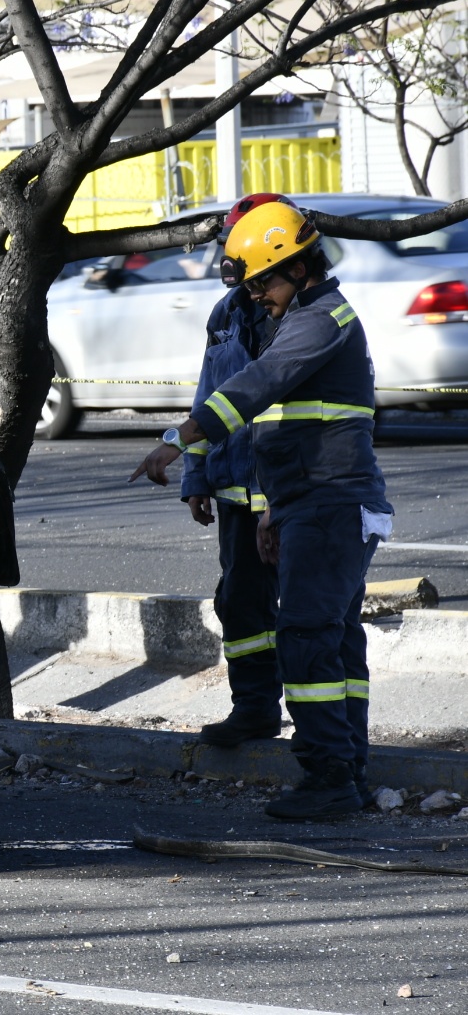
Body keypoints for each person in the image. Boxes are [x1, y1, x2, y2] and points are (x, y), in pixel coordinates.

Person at [130, 200, 391, 820]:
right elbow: (286, 427)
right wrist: (273, 506)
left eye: (262, 281)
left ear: (298, 267)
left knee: (305, 635)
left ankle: (329, 773)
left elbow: (256, 387)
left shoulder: (320, 320)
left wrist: (176, 440)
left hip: (331, 504)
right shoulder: (302, 314)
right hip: (311, 502)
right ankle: (344, 768)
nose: (257, 296)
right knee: (330, 636)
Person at [184, 194, 286, 748]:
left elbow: (285, 415)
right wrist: (195, 477)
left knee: (302, 608)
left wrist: (275, 500)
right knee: (239, 603)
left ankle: (324, 731)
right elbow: (210, 395)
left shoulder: (296, 315)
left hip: (284, 492)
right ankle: (254, 710)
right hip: (232, 492)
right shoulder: (226, 314)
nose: (230, 253)